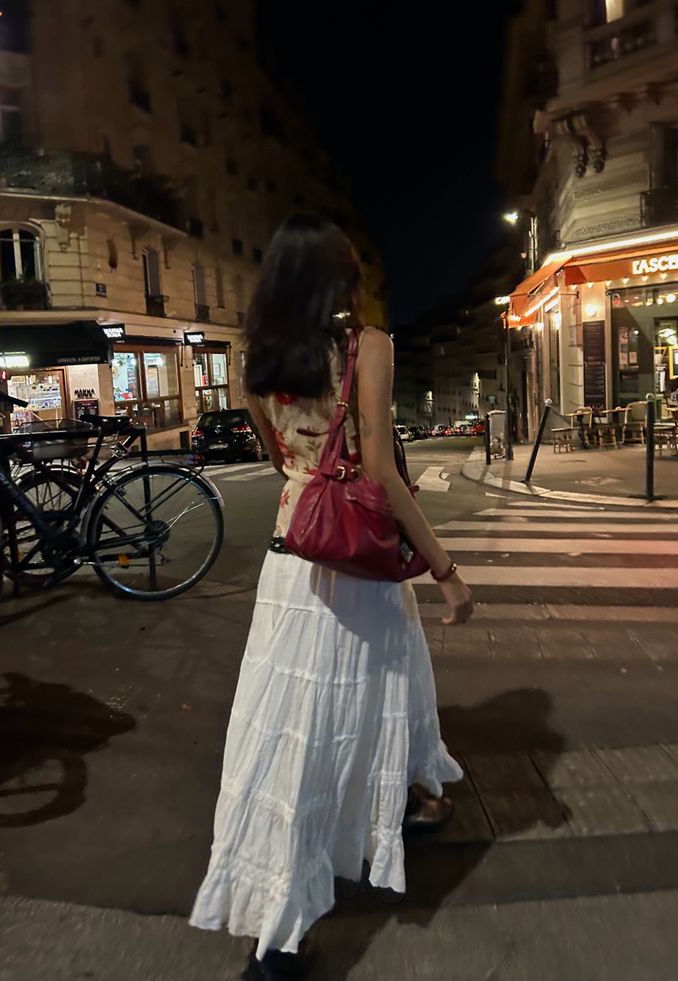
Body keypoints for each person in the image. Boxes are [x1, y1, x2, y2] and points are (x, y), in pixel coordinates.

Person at [189, 215, 473, 980]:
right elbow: (376, 466)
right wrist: (443, 565)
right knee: (353, 707)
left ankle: (398, 806)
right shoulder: (365, 346)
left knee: (297, 726)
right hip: (360, 566)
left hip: (291, 561)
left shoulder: (256, 359)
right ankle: (277, 941)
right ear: (339, 276)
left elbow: (283, 456)